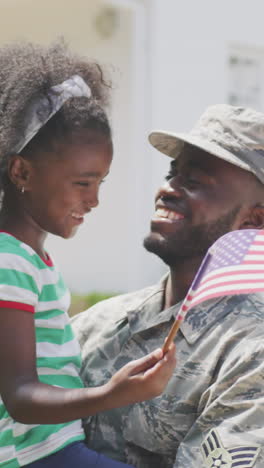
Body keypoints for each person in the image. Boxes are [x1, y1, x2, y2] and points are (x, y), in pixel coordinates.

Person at [0, 40, 176, 468]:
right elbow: (21, 397)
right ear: (22, 171)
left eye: (101, 182)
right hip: (39, 458)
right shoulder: (10, 260)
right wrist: (112, 395)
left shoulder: (28, 258)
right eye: (82, 182)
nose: (94, 200)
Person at [72, 104, 264, 468]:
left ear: (254, 220)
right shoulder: (96, 323)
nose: (168, 189)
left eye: (195, 182)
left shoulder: (252, 351)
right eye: (172, 173)